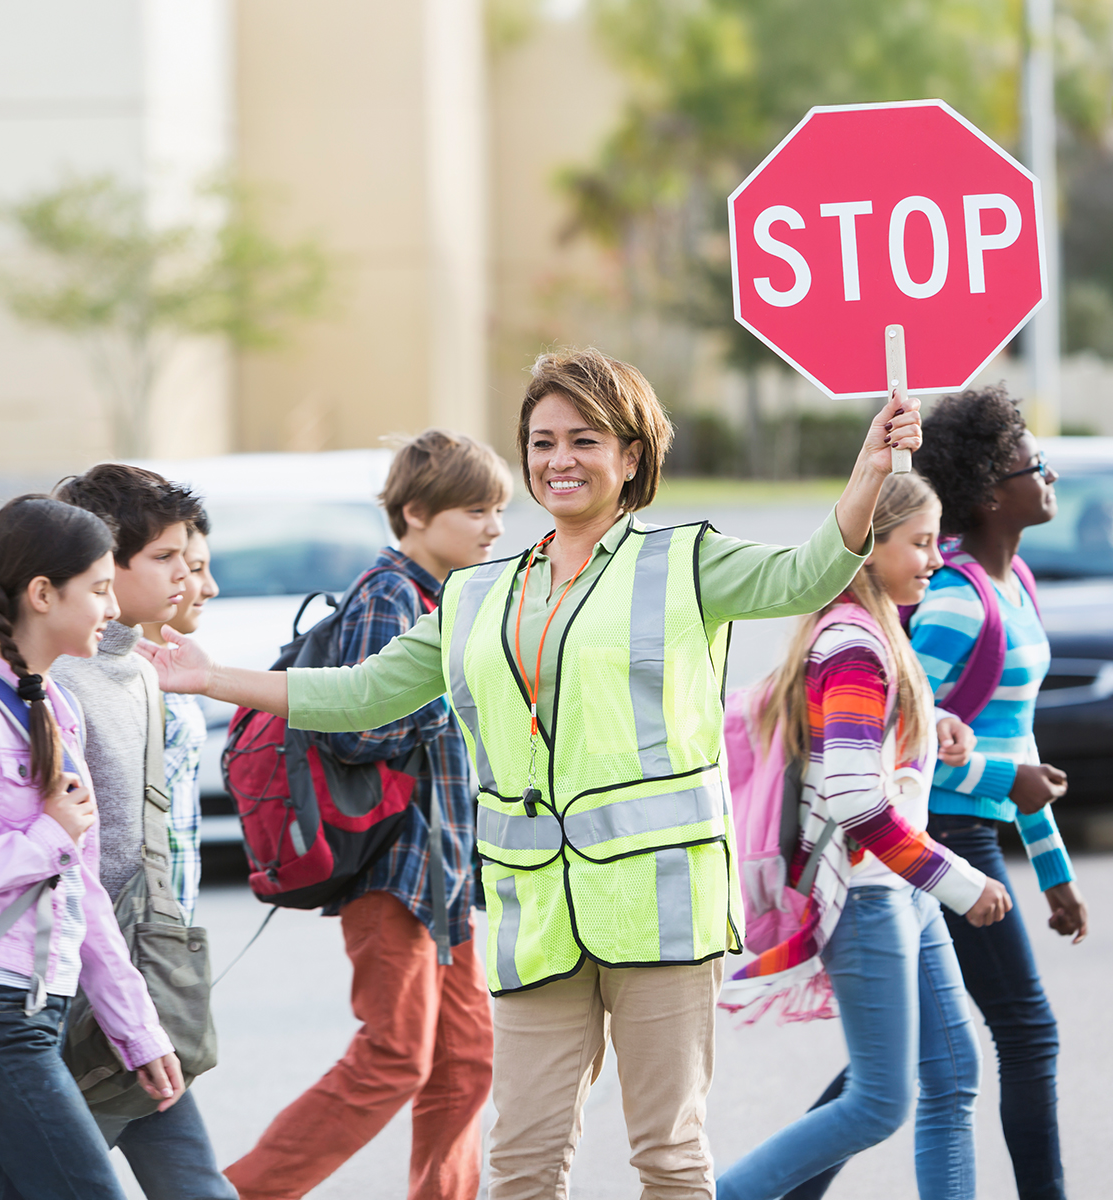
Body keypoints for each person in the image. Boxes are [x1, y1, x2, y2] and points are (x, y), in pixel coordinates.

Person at [140, 347, 922, 1199]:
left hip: (661, 907)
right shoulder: (479, 593)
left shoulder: (684, 563)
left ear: (630, 457)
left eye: (584, 440)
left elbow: (810, 571)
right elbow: (363, 693)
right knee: (522, 1165)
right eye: (542, 441)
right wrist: (210, 676)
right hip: (536, 913)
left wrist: (870, 469)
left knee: (668, 1156)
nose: (559, 460)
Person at [224, 429, 511, 1200]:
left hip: (441, 870)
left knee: (465, 1059)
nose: (494, 528)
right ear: (416, 513)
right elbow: (356, 726)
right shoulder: (390, 594)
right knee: (394, 1057)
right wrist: (449, 689)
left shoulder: (440, 597)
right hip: (392, 867)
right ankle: (234, 1192)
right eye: (477, 510)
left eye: (498, 510)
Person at [714, 472, 1011, 1200]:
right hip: (873, 893)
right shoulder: (851, 642)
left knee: (952, 1075)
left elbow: (862, 749)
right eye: (918, 543)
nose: (935, 560)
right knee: (880, 1101)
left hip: (896, 887)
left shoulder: (874, 630)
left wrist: (928, 724)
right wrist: (963, 884)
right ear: (868, 549)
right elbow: (855, 799)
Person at [0, 495, 183, 1200]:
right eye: (97, 589)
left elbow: (80, 889)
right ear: (42, 593)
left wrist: (138, 1029)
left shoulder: (57, 709)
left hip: (33, 1005)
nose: (110, 606)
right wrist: (44, 838)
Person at [912, 387, 1086, 1200]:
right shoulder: (952, 600)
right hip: (942, 836)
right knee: (1026, 1031)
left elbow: (1022, 748)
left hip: (973, 831)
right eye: (1032, 464)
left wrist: (1054, 872)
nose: (1048, 474)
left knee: (898, 1058)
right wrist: (999, 780)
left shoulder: (1012, 584)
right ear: (988, 492)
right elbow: (897, 740)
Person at [51, 465, 237, 1200]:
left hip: (139, 972)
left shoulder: (139, 671)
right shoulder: (62, 684)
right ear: (101, 562)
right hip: (82, 983)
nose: (188, 579)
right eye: (165, 558)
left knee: (189, 1175)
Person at [142, 505, 220, 924]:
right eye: (196, 568)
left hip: (169, 919)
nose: (207, 587)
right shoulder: (124, 680)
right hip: (139, 922)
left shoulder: (181, 673)